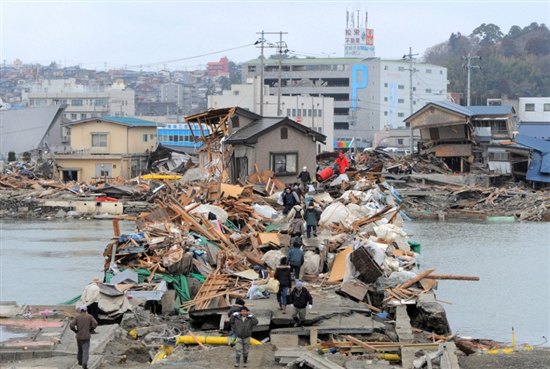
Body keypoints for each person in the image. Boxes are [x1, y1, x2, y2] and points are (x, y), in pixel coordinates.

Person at [70, 305, 98, 369]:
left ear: (80, 310)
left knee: (80, 349)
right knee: (85, 350)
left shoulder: (77, 317)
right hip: (86, 336)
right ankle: (84, 363)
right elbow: (95, 323)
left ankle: (80, 361)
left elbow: (71, 325)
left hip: (79, 336)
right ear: (86, 310)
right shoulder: (89, 316)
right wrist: (91, 329)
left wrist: (75, 330)